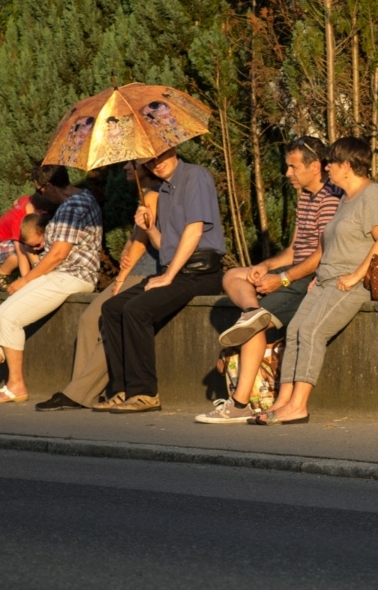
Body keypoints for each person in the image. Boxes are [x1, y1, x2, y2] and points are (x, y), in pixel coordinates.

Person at [195, 137, 342, 423]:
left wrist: (282, 279)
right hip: (295, 271)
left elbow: (322, 255)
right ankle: (252, 311)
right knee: (233, 275)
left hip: (311, 278)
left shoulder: (331, 199)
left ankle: (239, 404)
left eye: (293, 167)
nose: (288, 173)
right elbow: (295, 249)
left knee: (254, 326)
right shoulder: (306, 197)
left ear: (315, 167)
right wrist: (265, 266)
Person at [251, 136, 378, 425]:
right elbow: (327, 245)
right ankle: (283, 402)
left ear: (347, 166)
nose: (327, 168)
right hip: (326, 279)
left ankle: (299, 406)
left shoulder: (373, 195)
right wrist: (320, 274)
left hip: (352, 283)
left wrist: (356, 275)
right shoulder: (345, 198)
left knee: (312, 332)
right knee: (295, 330)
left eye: (331, 163)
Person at [0, 165, 103, 405]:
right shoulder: (74, 201)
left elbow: (58, 254)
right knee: (3, 314)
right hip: (60, 275)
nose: (39, 195)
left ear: (49, 186)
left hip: (73, 276)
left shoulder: (74, 205)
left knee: (9, 317)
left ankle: (16, 385)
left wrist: (25, 279)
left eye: (39, 190)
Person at [98, 148, 226, 413]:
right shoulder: (165, 191)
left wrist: (168, 275)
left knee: (137, 310)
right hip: (176, 270)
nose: (156, 163)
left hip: (200, 272)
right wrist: (149, 228)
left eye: (160, 156)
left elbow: (195, 230)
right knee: (112, 308)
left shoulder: (194, 176)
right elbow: (164, 245)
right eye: (149, 161)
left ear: (174, 150)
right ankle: (122, 390)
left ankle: (145, 393)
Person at [35, 161, 162, 412]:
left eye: (133, 164)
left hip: (146, 272)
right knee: (88, 320)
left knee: (110, 321)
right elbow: (135, 239)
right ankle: (80, 391)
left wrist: (121, 277)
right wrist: (127, 248)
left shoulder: (154, 195)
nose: (126, 168)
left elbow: (142, 242)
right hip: (136, 270)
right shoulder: (146, 195)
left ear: (147, 167)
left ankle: (77, 394)